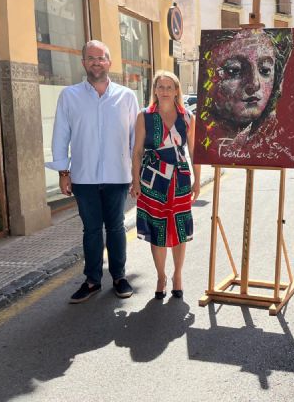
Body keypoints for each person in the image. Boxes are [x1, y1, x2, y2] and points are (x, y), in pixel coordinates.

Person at [46, 40, 138, 303]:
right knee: (91, 231)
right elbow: (60, 135)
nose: (96, 62)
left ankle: (119, 276)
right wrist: (63, 172)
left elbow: (135, 140)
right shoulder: (69, 96)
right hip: (83, 177)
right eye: (91, 58)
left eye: (101, 57)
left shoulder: (127, 97)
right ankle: (92, 280)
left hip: (118, 176)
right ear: (84, 63)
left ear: (109, 62)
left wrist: (136, 175)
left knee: (117, 227)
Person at [130, 71, 201, 299]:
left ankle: (177, 276)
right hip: (152, 180)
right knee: (157, 229)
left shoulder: (187, 117)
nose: (165, 91)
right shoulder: (145, 116)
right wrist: (135, 181)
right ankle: (161, 276)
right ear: (155, 90)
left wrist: (197, 180)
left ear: (177, 90)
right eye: (161, 87)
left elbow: (193, 152)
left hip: (179, 179)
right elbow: (137, 151)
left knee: (180, 229)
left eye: (169, 87)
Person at [198, 28, 294, 162]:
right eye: (234, 70)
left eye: (265, 70)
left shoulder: (272, 140)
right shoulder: (205, 140)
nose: (255, 83)